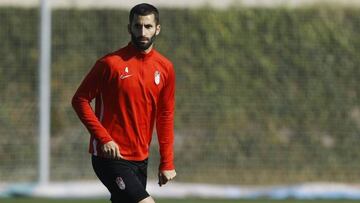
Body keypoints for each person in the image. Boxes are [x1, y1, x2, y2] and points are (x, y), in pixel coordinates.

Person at [72, 3, 176, 203]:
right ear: (130, 28)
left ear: (158, 29)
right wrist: (104, 138)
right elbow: (80, 100)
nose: (143, 32)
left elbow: (165, 116)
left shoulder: (165, 68)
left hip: (141, 158)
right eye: (138, 26)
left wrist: (167, 162)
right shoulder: (110, 64)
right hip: (110, 157)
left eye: (148, 26)